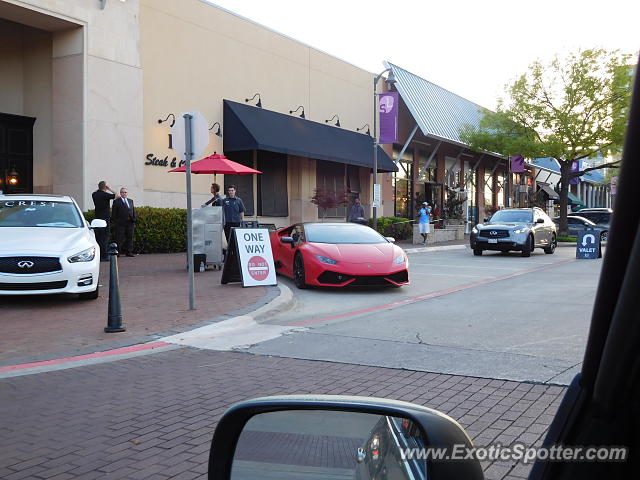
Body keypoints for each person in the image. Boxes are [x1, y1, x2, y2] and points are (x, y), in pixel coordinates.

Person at [91, 181, 119, 261]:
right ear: (105, 187)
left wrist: (101, 188)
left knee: (98, 238)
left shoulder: (94, 195)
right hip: (105, 219)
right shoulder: (105, 195)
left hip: (97, 218)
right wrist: (109, 188)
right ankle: (104, 256)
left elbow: (95, 192)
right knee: (105, 237)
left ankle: (99, 255)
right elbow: (117, 195)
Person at [111, 187, 137, 257]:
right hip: (120, 224)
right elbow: (114, 213)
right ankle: (118, 252)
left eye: (125, 192)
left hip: (130, 223)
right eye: (122, 192)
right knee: (119, 238)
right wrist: (115, 222)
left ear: (127, 193)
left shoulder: (130, 201)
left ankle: (129, 252)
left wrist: (134, 219)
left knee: (130, 238)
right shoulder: (116, 201)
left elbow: (133, 210)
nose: (124, 193)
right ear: (120, 193)